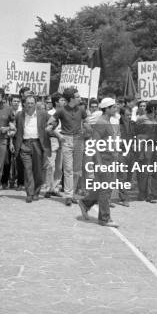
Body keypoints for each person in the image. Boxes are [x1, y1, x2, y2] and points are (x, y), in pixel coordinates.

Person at [78, 98, 120, 228]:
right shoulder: (101, 122)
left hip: (109, 159)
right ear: (106, 109)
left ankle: (85, 203)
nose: (115, 109)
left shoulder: (107, 121)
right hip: (103, 160)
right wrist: (100, 163)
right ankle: (104, 218)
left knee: (103, 188)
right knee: (105, 191)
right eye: (113, 107)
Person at [47, 88, 90, 206]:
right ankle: (68, 195)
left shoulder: (81, 109)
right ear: (71, 99)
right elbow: (50, 123)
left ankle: (73, 194)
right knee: (68, 169)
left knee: (76, 171)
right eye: (78, 96)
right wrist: (58, 135)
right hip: (66, 140)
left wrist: (86, 129)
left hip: (79, 140)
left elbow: (87, 123)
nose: (80, 98)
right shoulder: (61, 110)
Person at [14, 94, 51, 203]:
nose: (30, 105)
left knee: (38, 170)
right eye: (28, 103)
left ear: (35, 104)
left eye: (32, 103)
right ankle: (29, 193)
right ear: (24, 104)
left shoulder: (43, 114)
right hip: (24, 144)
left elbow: (54, 120)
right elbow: (13, 125)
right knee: (27, 169)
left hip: (38, 144)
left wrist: (51, 126)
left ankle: (36, 191)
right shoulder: (19, 115)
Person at [134, 101, 157, 203]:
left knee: (152, 172)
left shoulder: (156, 119)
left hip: (155, 147)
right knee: (143, 172)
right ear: (152, 109)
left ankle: (150, 194)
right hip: (145, 148)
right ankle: (142, 193)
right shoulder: (141, 119)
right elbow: (136, 133)